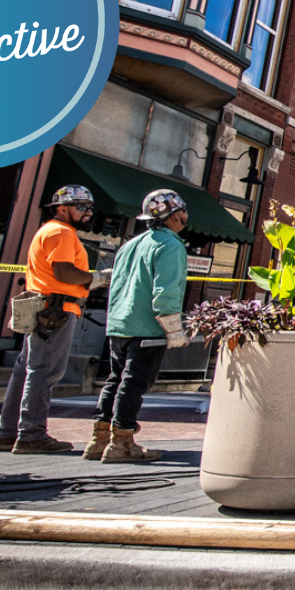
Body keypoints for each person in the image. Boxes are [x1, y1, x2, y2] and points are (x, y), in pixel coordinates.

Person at [0, 184, 108, 455]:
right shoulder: (61, 232)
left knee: (27, 371)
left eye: (89, 207)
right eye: (81, 207)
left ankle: (9, 434)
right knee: (44, 371)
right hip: (56, 311)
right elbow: (64, 273)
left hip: (46, 308)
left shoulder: (50, 230)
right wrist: (98, 278)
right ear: (62, 208)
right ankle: (31, 435)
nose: (87, 212)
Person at [92, 189, 192, 464]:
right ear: (173, 216)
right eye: (182, 211)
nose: (185, 215)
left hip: (119, 323)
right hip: (146, 327)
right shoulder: (170, 246)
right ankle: (122, 442)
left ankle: (99, 438)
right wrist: (174, 329)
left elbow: (118, 282)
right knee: (134, 383)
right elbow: (166, 291)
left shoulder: (130, 244)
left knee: (115, 379)